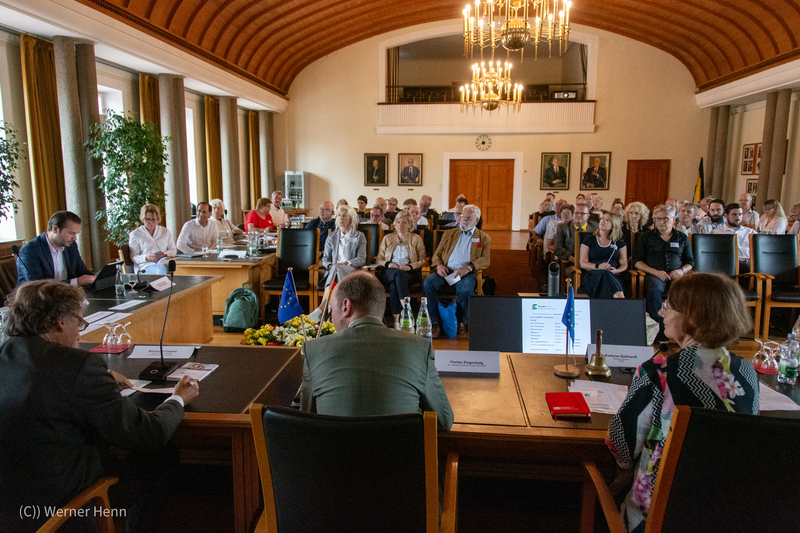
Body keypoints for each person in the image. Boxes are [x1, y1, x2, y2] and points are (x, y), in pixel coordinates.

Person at [0, 280, 199, 533]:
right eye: (79, 322)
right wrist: (177, 399)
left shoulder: (5, 355)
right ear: (60, 321)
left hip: (10, 507)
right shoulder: (78, 365)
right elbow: (149, 434)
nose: (80, 333)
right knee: (160, 456)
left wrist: (98, 382)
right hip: (63, 508)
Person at [606, 273, 758, 533]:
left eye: (668, 305)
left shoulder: (660, 370)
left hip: (658, 516)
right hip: (727, 512)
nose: (661, 312)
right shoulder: (747, 371)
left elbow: (622, 444)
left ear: (691, 315)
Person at [300, 272, 453, 429]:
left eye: (331, 309)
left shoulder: (314, 350)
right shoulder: (419, 347)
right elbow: (445, 421)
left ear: (346, 306)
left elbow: (305, 421)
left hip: (335, 445)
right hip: (398, 445)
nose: (331, 318)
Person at [424, 205, 490, 338]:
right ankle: (435, 322)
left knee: (465, 289)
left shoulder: (483, 238)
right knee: (428, 283)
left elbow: (485, 260)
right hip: (446, 270)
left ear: (476, 220)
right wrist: (439, 266)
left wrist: (469, 268)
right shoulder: (449, 234)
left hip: (465, 273)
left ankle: (461, 321)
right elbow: (437, 254)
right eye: (462, 215)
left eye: (468, 216)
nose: (463, 218)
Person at [632, 204, 694, 348]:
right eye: (657, 219)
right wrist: (655, 272)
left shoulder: (682, 237)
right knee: (653, 288)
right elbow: (637, 262)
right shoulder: (645, 237)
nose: (661, 222)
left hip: (677, 273)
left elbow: (690, 262)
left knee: (685, 289)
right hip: (655, 273)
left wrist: (682, 271)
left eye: (665, 218)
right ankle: (661, 328)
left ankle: (684, 328)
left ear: (674, 219)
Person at [16, 210, 96, 287]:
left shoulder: (71, 246)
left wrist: (98, 277)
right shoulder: (30, 251)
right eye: (71, 233)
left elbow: (82, 272)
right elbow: (39, 287)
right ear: (55, 229)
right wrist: (76, 282)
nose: (75, 238)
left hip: (67, 294)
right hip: (37, 296)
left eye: (76, 234)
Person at [376, 210, 426, 326]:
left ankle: (396, 321)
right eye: (398, 222)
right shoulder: (388, 238)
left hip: (408, 272)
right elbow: (379, 259)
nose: (400, 225)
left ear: (410, 225)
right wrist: (388, 264)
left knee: (394, 285)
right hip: (389, 271)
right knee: (397, 273)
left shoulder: (416, 239)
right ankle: (407, 310)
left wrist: (410, 266)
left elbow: (423, 260)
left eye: (404, 222)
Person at [578, 213, 628, 298]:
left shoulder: (619, 242)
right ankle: (619, 297)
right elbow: (583, 263)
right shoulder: (589, 240)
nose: (603, 221)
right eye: (602, 219)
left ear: (613, 226)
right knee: (604, 273)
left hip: (612, 275)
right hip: (592, 275)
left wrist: (617, 271)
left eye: (607, 221)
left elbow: (624, 263)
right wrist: (598, 266)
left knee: (607, 275)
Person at [319, 204, 367, 288]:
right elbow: (325, 258)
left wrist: (347, 263)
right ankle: (339, 293)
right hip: (334, 270)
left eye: (344, 216)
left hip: (352, 270)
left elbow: (361, 258)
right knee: (336, 268)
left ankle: (327, 295)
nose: (341, 218)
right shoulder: (331, 237)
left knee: (337, 268)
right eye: (339, 215)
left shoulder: (359, 236)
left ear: (351, 219)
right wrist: (330, 265)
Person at [128, 203, 177, 274]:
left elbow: (173, 250)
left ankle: (165, 279)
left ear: (158, 219)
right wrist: (146, 257)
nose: (150, 222)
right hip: (145, 266)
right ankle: (164, 280)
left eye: (153, 220)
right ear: (142, 219)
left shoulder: (165, 231)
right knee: (164, 270)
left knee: (165, 266)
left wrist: (165, 255)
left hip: (163, 262)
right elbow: (134, 257)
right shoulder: (135, 234)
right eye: (147, 219)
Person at [554, 203, 598, 272]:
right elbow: (558, 249)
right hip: (571, 263)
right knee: (574, 272)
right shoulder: (563, 228)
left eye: (582, 213)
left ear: (588, 216)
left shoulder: (596, 228)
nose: (578, 215)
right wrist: (575, 260)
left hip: (592, 263)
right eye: (576, 213)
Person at [713, 203, 757, 272]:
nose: (737, 217)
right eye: (734, 215)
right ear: (726, 216)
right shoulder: (717, 232)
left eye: (740, 214)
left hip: (749, 263)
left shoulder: (751, 232)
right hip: (728, 264)